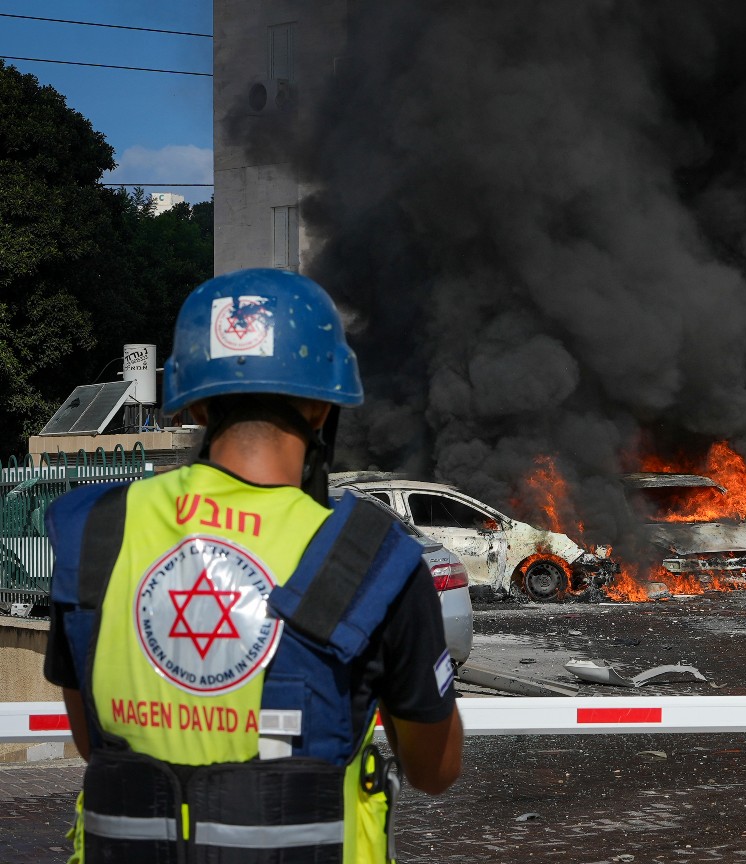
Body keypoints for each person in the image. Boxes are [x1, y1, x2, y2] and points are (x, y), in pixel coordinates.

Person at [43, 268, 463, 864]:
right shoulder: (370, 558)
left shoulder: (97, 532)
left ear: (193, 406)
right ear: (322, 407)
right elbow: (435, 769)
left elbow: (95, 745)